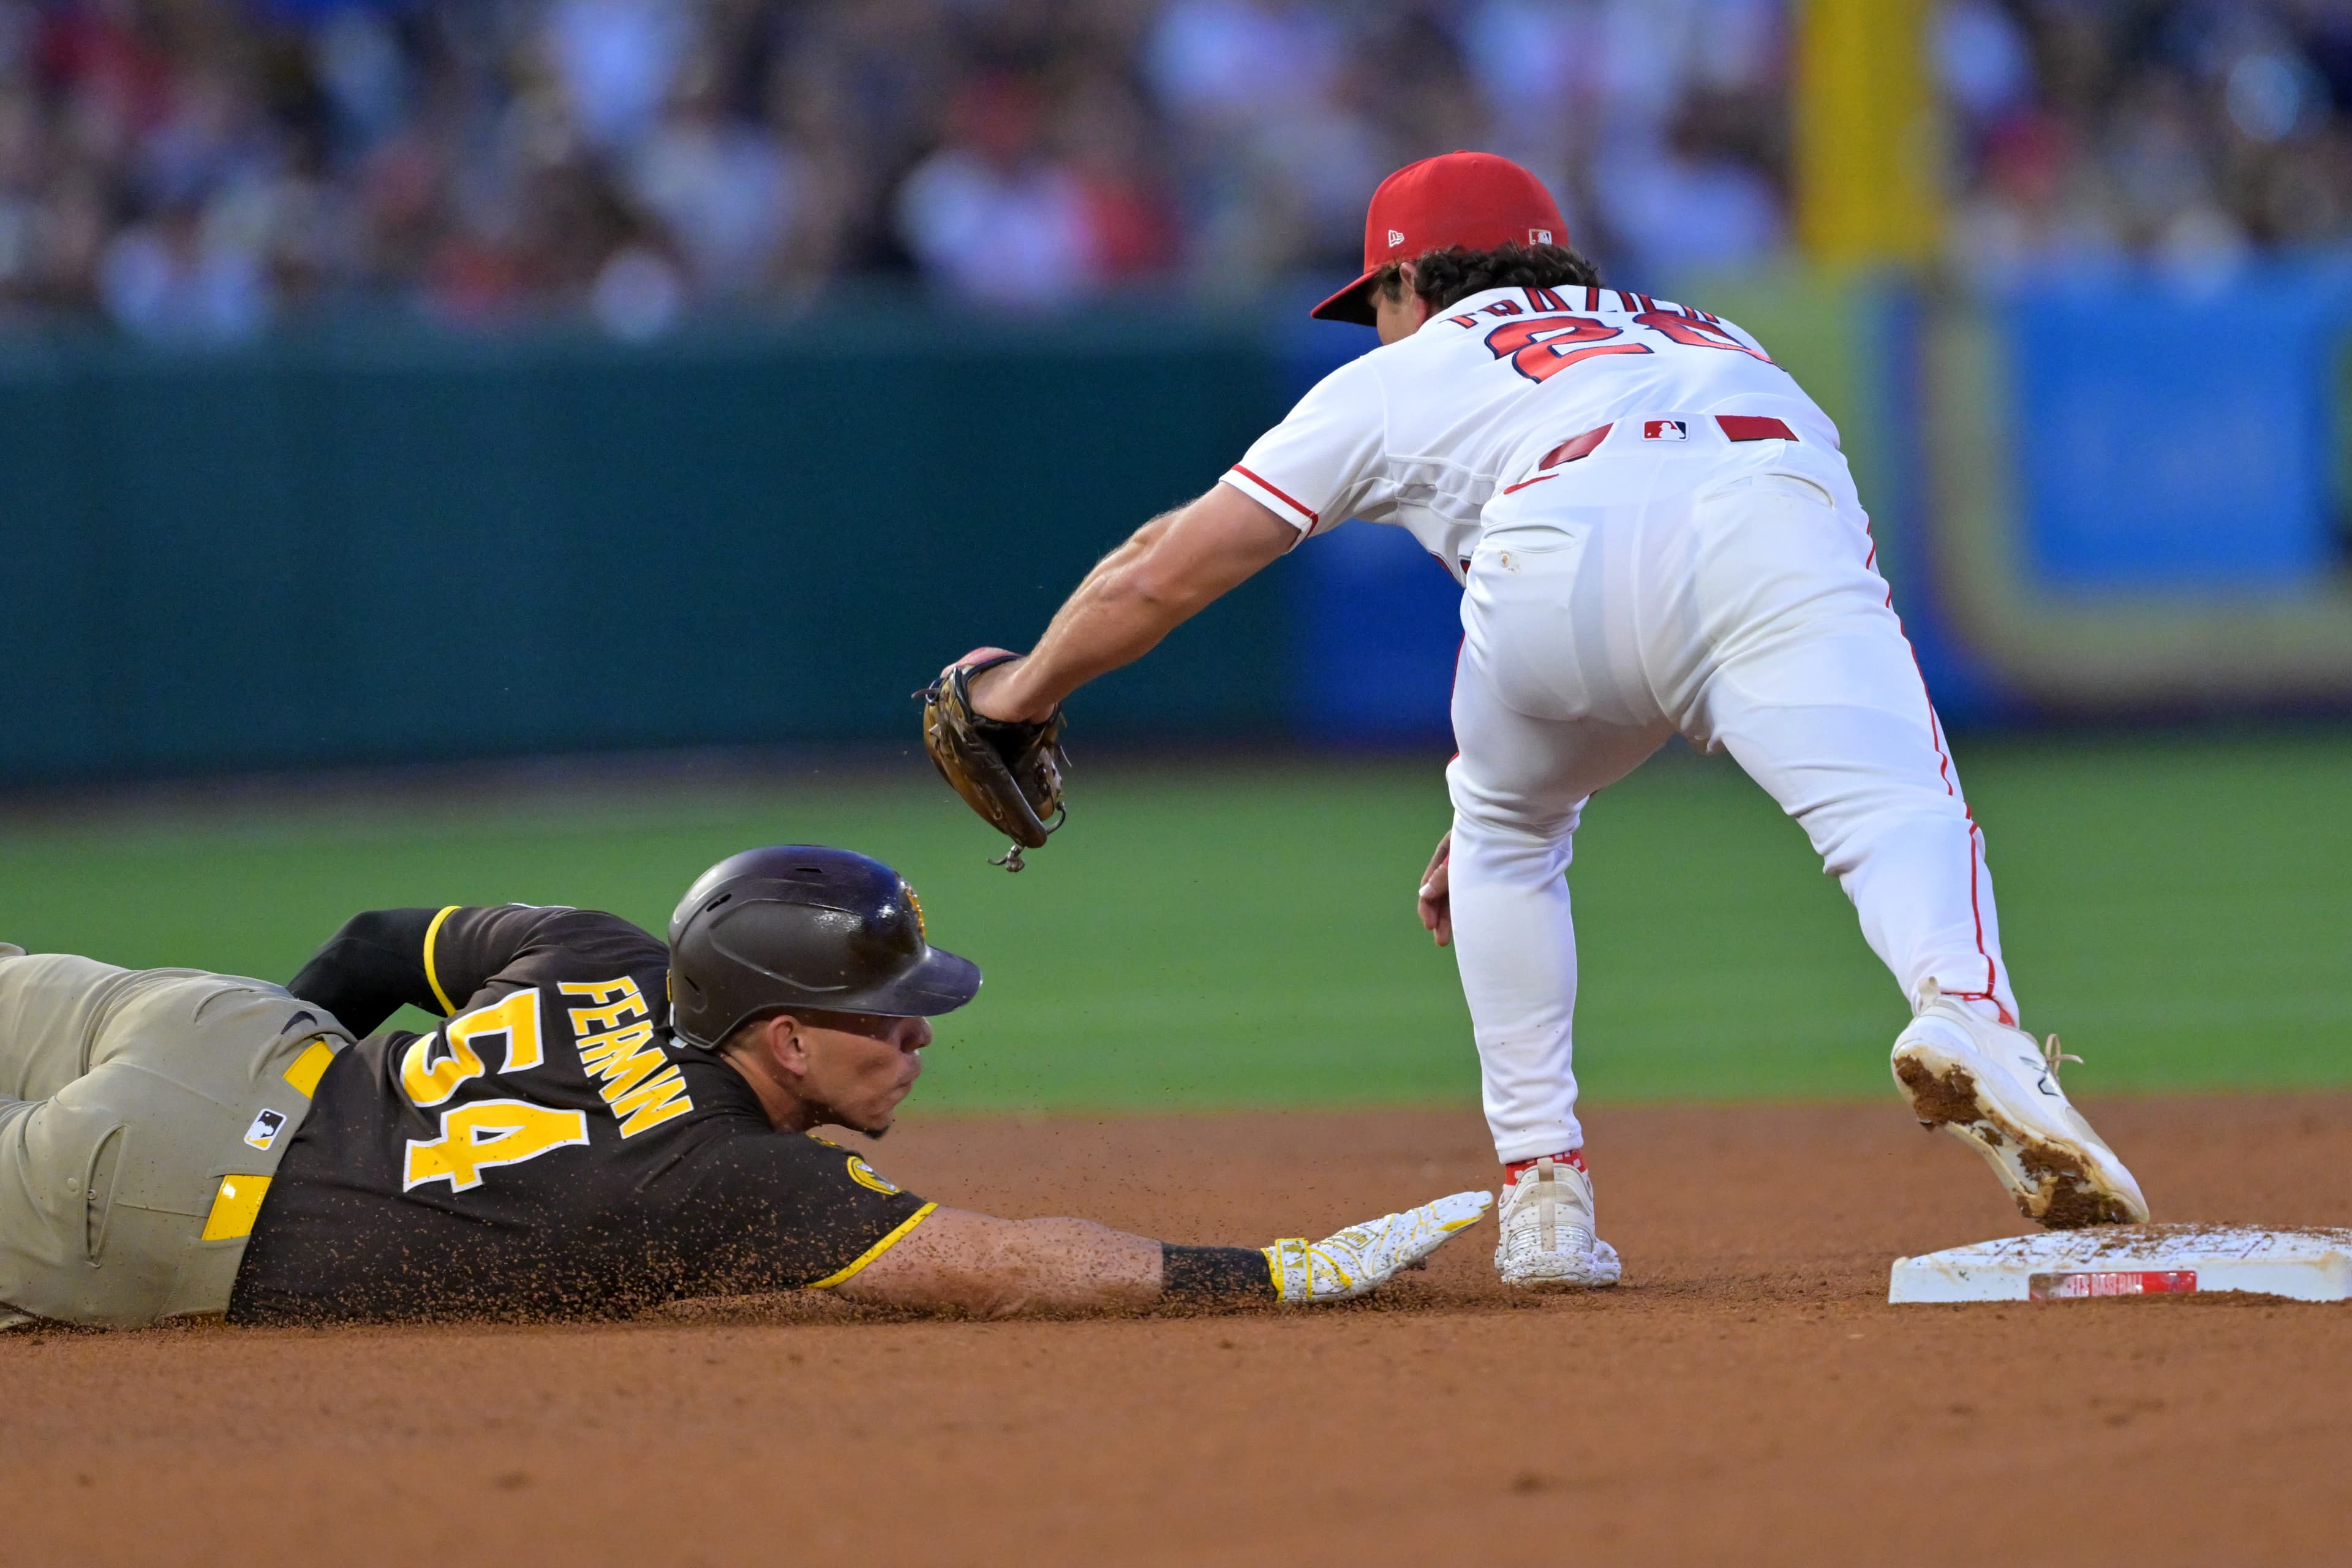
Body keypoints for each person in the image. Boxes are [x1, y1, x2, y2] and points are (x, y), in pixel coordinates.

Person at [940, 150, 2149, 1292]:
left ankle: (1547, 1198)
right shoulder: (1706, 327)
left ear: (1414, 278)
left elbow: (1165, 568)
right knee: (1894, 811)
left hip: (1551, 554)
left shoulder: (1409, 368)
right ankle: (1969, 1014)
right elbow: (1715, 552)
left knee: (1506, 836)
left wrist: (1023, 690)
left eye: (1379, 299)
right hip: (1771, 514)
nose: (1380, 323)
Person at [0, 846, 1484, 1327]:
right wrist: (1282, 1268)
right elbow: (1017, 1264)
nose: (916, 1037)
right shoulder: (725, 1182)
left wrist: (304, 1077)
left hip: (210, 1029)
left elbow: (381, 944)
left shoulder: (600, 951)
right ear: (778, 1037)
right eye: (885, 1017)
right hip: (170, 1189)